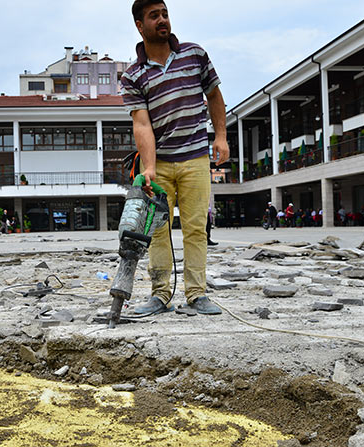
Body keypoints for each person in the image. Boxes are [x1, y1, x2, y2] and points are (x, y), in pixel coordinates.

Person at [122, 0, 229, 315]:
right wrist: (150, 167)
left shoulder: (194, 55)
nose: (162, 20)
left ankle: (197, 293)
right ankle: (160, 294)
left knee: (197, 227)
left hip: (195, 157)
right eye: (154, 16)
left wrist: (220, 136)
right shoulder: (132, 75)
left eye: (164, 14)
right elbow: (142, 124)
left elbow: (214, 96)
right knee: (157, 229)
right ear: (140, 26)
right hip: (160, 163)